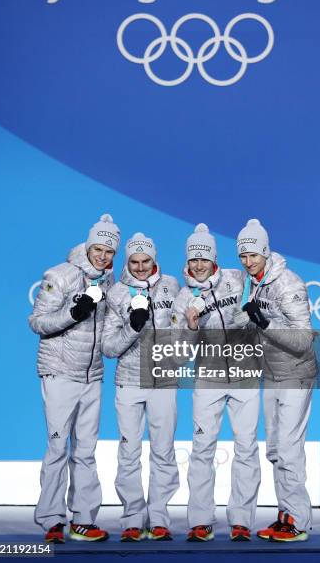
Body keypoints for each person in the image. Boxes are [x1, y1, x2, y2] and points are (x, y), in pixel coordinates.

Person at [29, 214, 121, 543]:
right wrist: (72, 313)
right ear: (88, 246)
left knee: (85, 450)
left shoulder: (111, 283)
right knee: (57, 447)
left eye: (109, 251)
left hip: (92, 374)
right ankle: (52, 519)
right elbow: (37, 322)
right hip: (60, 372)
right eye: (98, 248)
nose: (103, 256)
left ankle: (83, 518)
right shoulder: (61, 275)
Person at [172, 224, 261, 543]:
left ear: (214, 260)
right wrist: (191, 327)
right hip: (207, 378)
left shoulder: (237, 279)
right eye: (193, 260)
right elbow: (179, 355)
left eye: (204, 259)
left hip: (245, 375)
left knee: (247, 448)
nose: (198, 265)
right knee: (201, 448)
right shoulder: (183, 298)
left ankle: (241, 521)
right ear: (187, 261)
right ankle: (199, 520)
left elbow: (265, 283)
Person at [237, 218, 317, 542]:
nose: (247, 261)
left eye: (253, 255)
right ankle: (286, 514)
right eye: (242, 256)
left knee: (289, 448)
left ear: (266, 252)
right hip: (271, 374)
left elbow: (303, 340)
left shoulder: (288, 284)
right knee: (275, 449)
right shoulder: (252, 282)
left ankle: (298, 522)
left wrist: (265, 323)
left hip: (296, 374)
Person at [102, 232, 180, 542]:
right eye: (134, 262)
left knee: (163, 451)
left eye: (145, 261)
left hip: (163, 381)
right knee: (129, 453)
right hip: (129, 382)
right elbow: (108, 347)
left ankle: (159, 518)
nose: (140, 267)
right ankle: (132, 519)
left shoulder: (172, 286)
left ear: (154, 260)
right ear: (127, 262)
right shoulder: (117, 293)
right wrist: (133, 328)